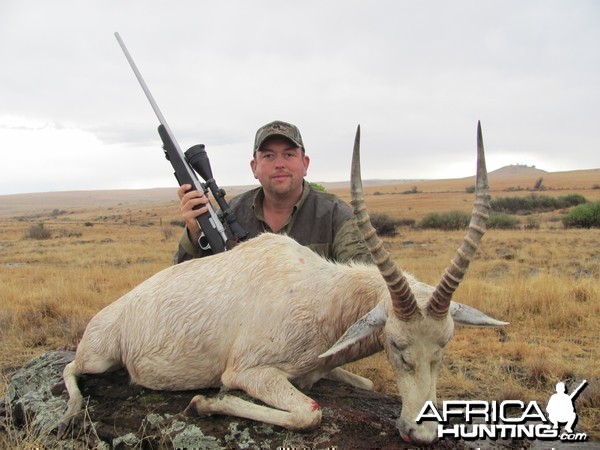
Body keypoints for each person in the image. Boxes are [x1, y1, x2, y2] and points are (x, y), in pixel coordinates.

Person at [174, 120, 372, 264]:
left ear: (305, 164)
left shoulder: (336, 215)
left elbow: (364, 279)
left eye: (289, 154)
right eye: (268, 156)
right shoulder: (230, 214)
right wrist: (194, 233)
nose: (279, 164)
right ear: (254, 167)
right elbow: (185, 279)